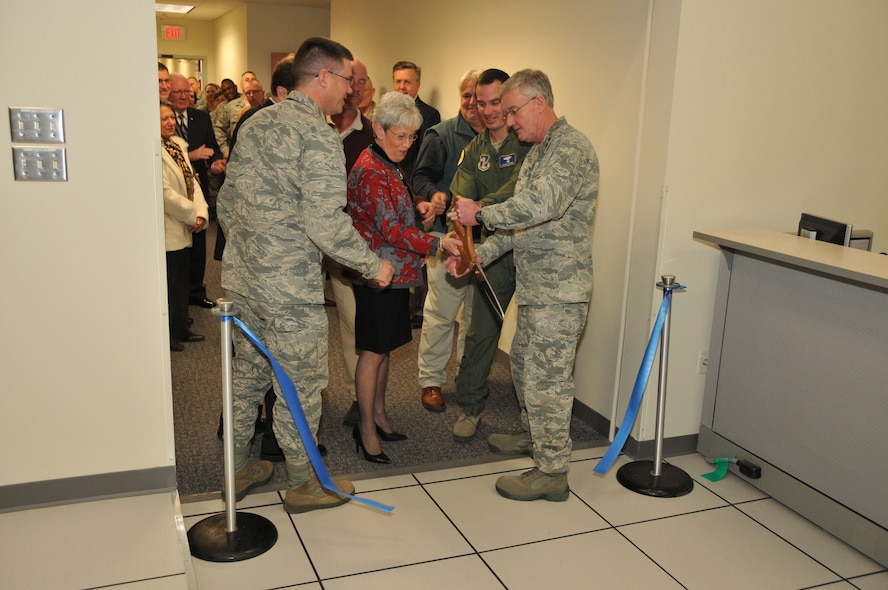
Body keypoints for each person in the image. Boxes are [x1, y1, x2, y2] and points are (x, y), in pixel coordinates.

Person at [217, 37, 393, 513]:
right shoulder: (317, 136)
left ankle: (235, 469)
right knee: (299, 380)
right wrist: (373, 265)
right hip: (289, 289)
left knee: (247, 376)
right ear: (322, 78)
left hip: (243, 280)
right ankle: (304, 483)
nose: (351, 92)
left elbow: (226, 203)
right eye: (346, 81)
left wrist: (254, 250)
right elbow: (325, 223)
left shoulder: (255, 124)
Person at [449, 69, 599, 502]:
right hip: (538, 289)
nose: (508, 121)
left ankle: (552, 472)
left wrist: (481, 214)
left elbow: (540, 204)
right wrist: (476, 257)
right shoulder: (538, 152)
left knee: (548, 380)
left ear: (539, 103)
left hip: (561, 291)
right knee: (524, 369)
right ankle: (536, 437)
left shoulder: (570, 148)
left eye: (513, 111)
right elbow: (523, 226)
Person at [346, 91, 459, 464]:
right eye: (401, 136)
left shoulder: (389, 163)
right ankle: (365, 429)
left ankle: (378, 415)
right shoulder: (370, 169)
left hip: (396, 274)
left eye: (412, 137)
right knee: (372, 352)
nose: (407, 145)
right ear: (379, 129)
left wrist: (419, 206)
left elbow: (399, 208)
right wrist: (438, 242)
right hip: (378, 274)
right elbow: (392, 231)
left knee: (384, 351)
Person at [449, 68, 533, 441]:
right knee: (481, 332)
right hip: (493, 252)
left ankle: (534, 417)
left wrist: (483, 205)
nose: (488, 110)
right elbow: (461, 200)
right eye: (481, 103)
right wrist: (464, 249)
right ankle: (470, 406)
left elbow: (522, 193)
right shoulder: (475, 150)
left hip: (534, 252)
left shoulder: (530, 143)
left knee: (533, 342)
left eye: (496, 102)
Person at [411, 70, 484, 413]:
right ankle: (431, 380)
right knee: (440, 314)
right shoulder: (440, 135)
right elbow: (420, 177)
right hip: (447, 239)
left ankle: (467, 379)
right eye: (466, 96)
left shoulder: (504, 139)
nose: (472, 104)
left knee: (475, 317)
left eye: (479, 98)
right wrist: (435, 194)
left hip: (486, 245)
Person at [328, 59, 375, 428]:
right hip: (304, 245)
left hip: (351, 249)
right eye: (350, 81)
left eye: (362, 82)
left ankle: (361, 399)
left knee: (353, 322)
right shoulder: (314, 126)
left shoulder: (374, 135)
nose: (355, 88)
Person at [169, 74, 226, 310]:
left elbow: (211, 148)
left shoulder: (201, 118)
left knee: (199, 241)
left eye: (187, 93)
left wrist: (214, 163)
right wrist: (191, 157)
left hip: (198, 191)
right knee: (179, 245)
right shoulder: (162, 119)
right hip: (174, 190)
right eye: (177, 92)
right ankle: (179, 296)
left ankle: (196, 290)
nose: (183, 96)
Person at [159, 100, 209, 351]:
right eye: (162, 119)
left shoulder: (178, 146)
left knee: (181, 286)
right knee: (168, 287)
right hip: (168, 227)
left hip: (185, 224)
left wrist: (200, 214)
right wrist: (192, 215)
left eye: (170, 118)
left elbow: (192, 182)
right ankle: (168, 335)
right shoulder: (152, 150)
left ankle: (181, 329)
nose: (169, 122)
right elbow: (164, 194)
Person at [392, 61, 440, 178]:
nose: (401, 87)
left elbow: (424, 158)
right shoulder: (387, 112)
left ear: (418, 84)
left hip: (410, 181)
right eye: (398, 81)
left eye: (407, 82)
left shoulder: (429, 115)